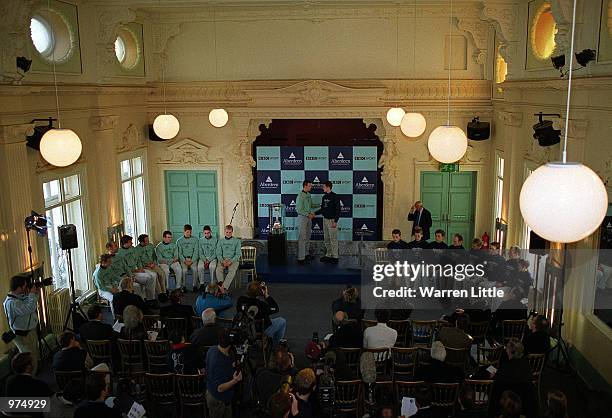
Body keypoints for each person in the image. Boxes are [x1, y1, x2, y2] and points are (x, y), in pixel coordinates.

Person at [488, 339, 538, 418]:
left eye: (506, 348)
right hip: (525, 408)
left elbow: (495, 395)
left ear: (509, 351)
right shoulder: (527, 367)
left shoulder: (504, 370)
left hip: (506, 407)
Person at [3, 275, 41, 375]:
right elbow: (29, 308)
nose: (25, 288)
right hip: (22, 335)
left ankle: (32, 378)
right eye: (24, 286)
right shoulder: (11, 303)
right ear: (19, 287)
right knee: (29, 360)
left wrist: (35, 293)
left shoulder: (18, 297)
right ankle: (29, 381)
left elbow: (31, 302)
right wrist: (32, 294)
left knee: (34, 356)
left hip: (29, 333)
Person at [206, 328, 242, 418]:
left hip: (210, 391)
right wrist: (235, 380)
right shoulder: (221, 362)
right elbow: (220, 388)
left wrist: (232, 365)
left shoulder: (212, 349)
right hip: (218, 399)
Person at [237, 281, 286, 345]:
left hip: (246, 327)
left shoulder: (241, 300)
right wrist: (266, 295)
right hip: (262, 330)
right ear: (260, 292)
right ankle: (275, 345)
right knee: (282, 320)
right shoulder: (262, 305)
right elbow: (275, 308)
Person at [5, 352, 54, 417]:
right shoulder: (38, 384)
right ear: (28, 367)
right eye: (34, 362)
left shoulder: (9, 380)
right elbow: (52, 401)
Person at [117, 235, 157, 304]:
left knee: (153, 275)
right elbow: (125, 267)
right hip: (130, 272)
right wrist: (134, 272)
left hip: (137, 269)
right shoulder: (120, 253)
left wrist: (140, 268)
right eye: (130, 242)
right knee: (148, 277)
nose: (132, 243)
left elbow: (138, 260)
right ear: (125, 243)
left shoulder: (133, 249)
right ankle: (144, 300)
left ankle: (150, 298)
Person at [315, 181, 341, 264]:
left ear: (328, 187)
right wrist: (314, 213)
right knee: (326, 239)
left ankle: (335, 257)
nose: (323, 188)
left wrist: (335, 221)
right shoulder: (324, 197)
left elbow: (338, 210)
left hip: (332, 220)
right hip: (325, 219)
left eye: (324, 187)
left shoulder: (335, 196)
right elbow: (322, 209)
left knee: (333, 239)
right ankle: (329, 255)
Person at [296, 180, 319, 265]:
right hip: (303, 217)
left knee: (308, 236)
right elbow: (298, 210)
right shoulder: (300, 196)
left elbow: (311, 205)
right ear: (305, 186)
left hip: (309, 217)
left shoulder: (308, 194)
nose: (311, 187)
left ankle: (306, 254)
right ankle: (301, 258)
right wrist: (307, 214)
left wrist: (321, 204)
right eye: (309, 186)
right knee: (302, 238)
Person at [215, 225, 242, 289]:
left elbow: (238, 254)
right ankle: (220, 286)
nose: (228, 234)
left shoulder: (237, 241)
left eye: (230, 232)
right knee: (218, 270)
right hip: (223, 259)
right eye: (227, 232)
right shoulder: (220, 241)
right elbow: (218, 253)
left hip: (233, 260)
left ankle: (224, 288)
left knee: (232, 271)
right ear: (224, 232)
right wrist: (222, 261)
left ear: (232, 232)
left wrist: (231, 261)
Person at [177, 224, 200, 292]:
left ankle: (194, 285)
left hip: (192, 259)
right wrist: (185, 261)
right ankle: (183, 286)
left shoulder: (195, 240)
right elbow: (179, 253)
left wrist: (192, 261)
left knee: (195, 269)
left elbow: (196, 252)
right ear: (184, 231)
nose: (189, 233)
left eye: (190, 232)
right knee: (184, 270)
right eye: (187, 232)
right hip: (184, 259)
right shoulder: (179, 241)